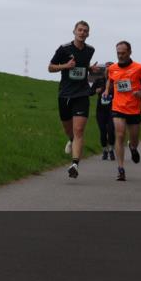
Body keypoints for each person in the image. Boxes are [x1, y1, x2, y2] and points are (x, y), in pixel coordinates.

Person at [48, 21, 100, 178]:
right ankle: (70, 139)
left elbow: (83, 65)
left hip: (82, 94)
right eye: (80, 30)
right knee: (68, 129)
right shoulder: (64, 49)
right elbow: (50, 67)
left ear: (88, 34)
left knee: (79, 130)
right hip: (65, 94)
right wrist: (65, 66)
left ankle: (75, 164)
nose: (82, 33)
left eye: (85, 31)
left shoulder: (90, 50)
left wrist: (90, 69)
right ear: (74, 31)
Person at [105, 41, 141, 181]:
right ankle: (121, 169)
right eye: (118, 53)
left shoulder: (139, 68)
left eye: (123, 53)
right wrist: (107, 90)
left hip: (133, 108)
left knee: (134, 139)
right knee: (119, 134)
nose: (120, 56)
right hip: (118, 107)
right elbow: (110, 80)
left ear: (130, 52)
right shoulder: (112, 68)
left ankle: (132, 147)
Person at [91, 62, 116, 160]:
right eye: (107, 68)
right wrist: (95, 91)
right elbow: (90, 92)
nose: (108, 70)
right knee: (102, 131)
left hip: (113, 110)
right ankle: (105, 150)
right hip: (100, 110)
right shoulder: (98, 81)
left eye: (110, 68)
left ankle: (111, 150)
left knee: (110, 131)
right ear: (104, 70)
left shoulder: (116, 81)